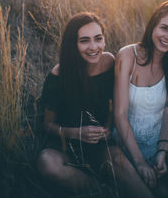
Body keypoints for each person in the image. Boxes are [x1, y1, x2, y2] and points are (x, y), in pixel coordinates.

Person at [114, 0, 168, 198]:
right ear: (153, 26)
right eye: (164, 28)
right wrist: (140, 162)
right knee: (162, 192)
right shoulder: (127, 56)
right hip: (130, 134)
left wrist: (162, 151)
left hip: (165, 131)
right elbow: (120, 114)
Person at [37, 12, 116, 197]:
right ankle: (100, 190)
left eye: (98, 39)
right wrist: (78, 133)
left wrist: (109, 127)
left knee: (121, 163)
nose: (93, 47)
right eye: (84, 41)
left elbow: (115, 102)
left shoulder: (110, 62)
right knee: (47, 165)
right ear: (73, 44)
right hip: (64, 144)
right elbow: (47, 125)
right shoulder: (58, 75)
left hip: (100, 144)